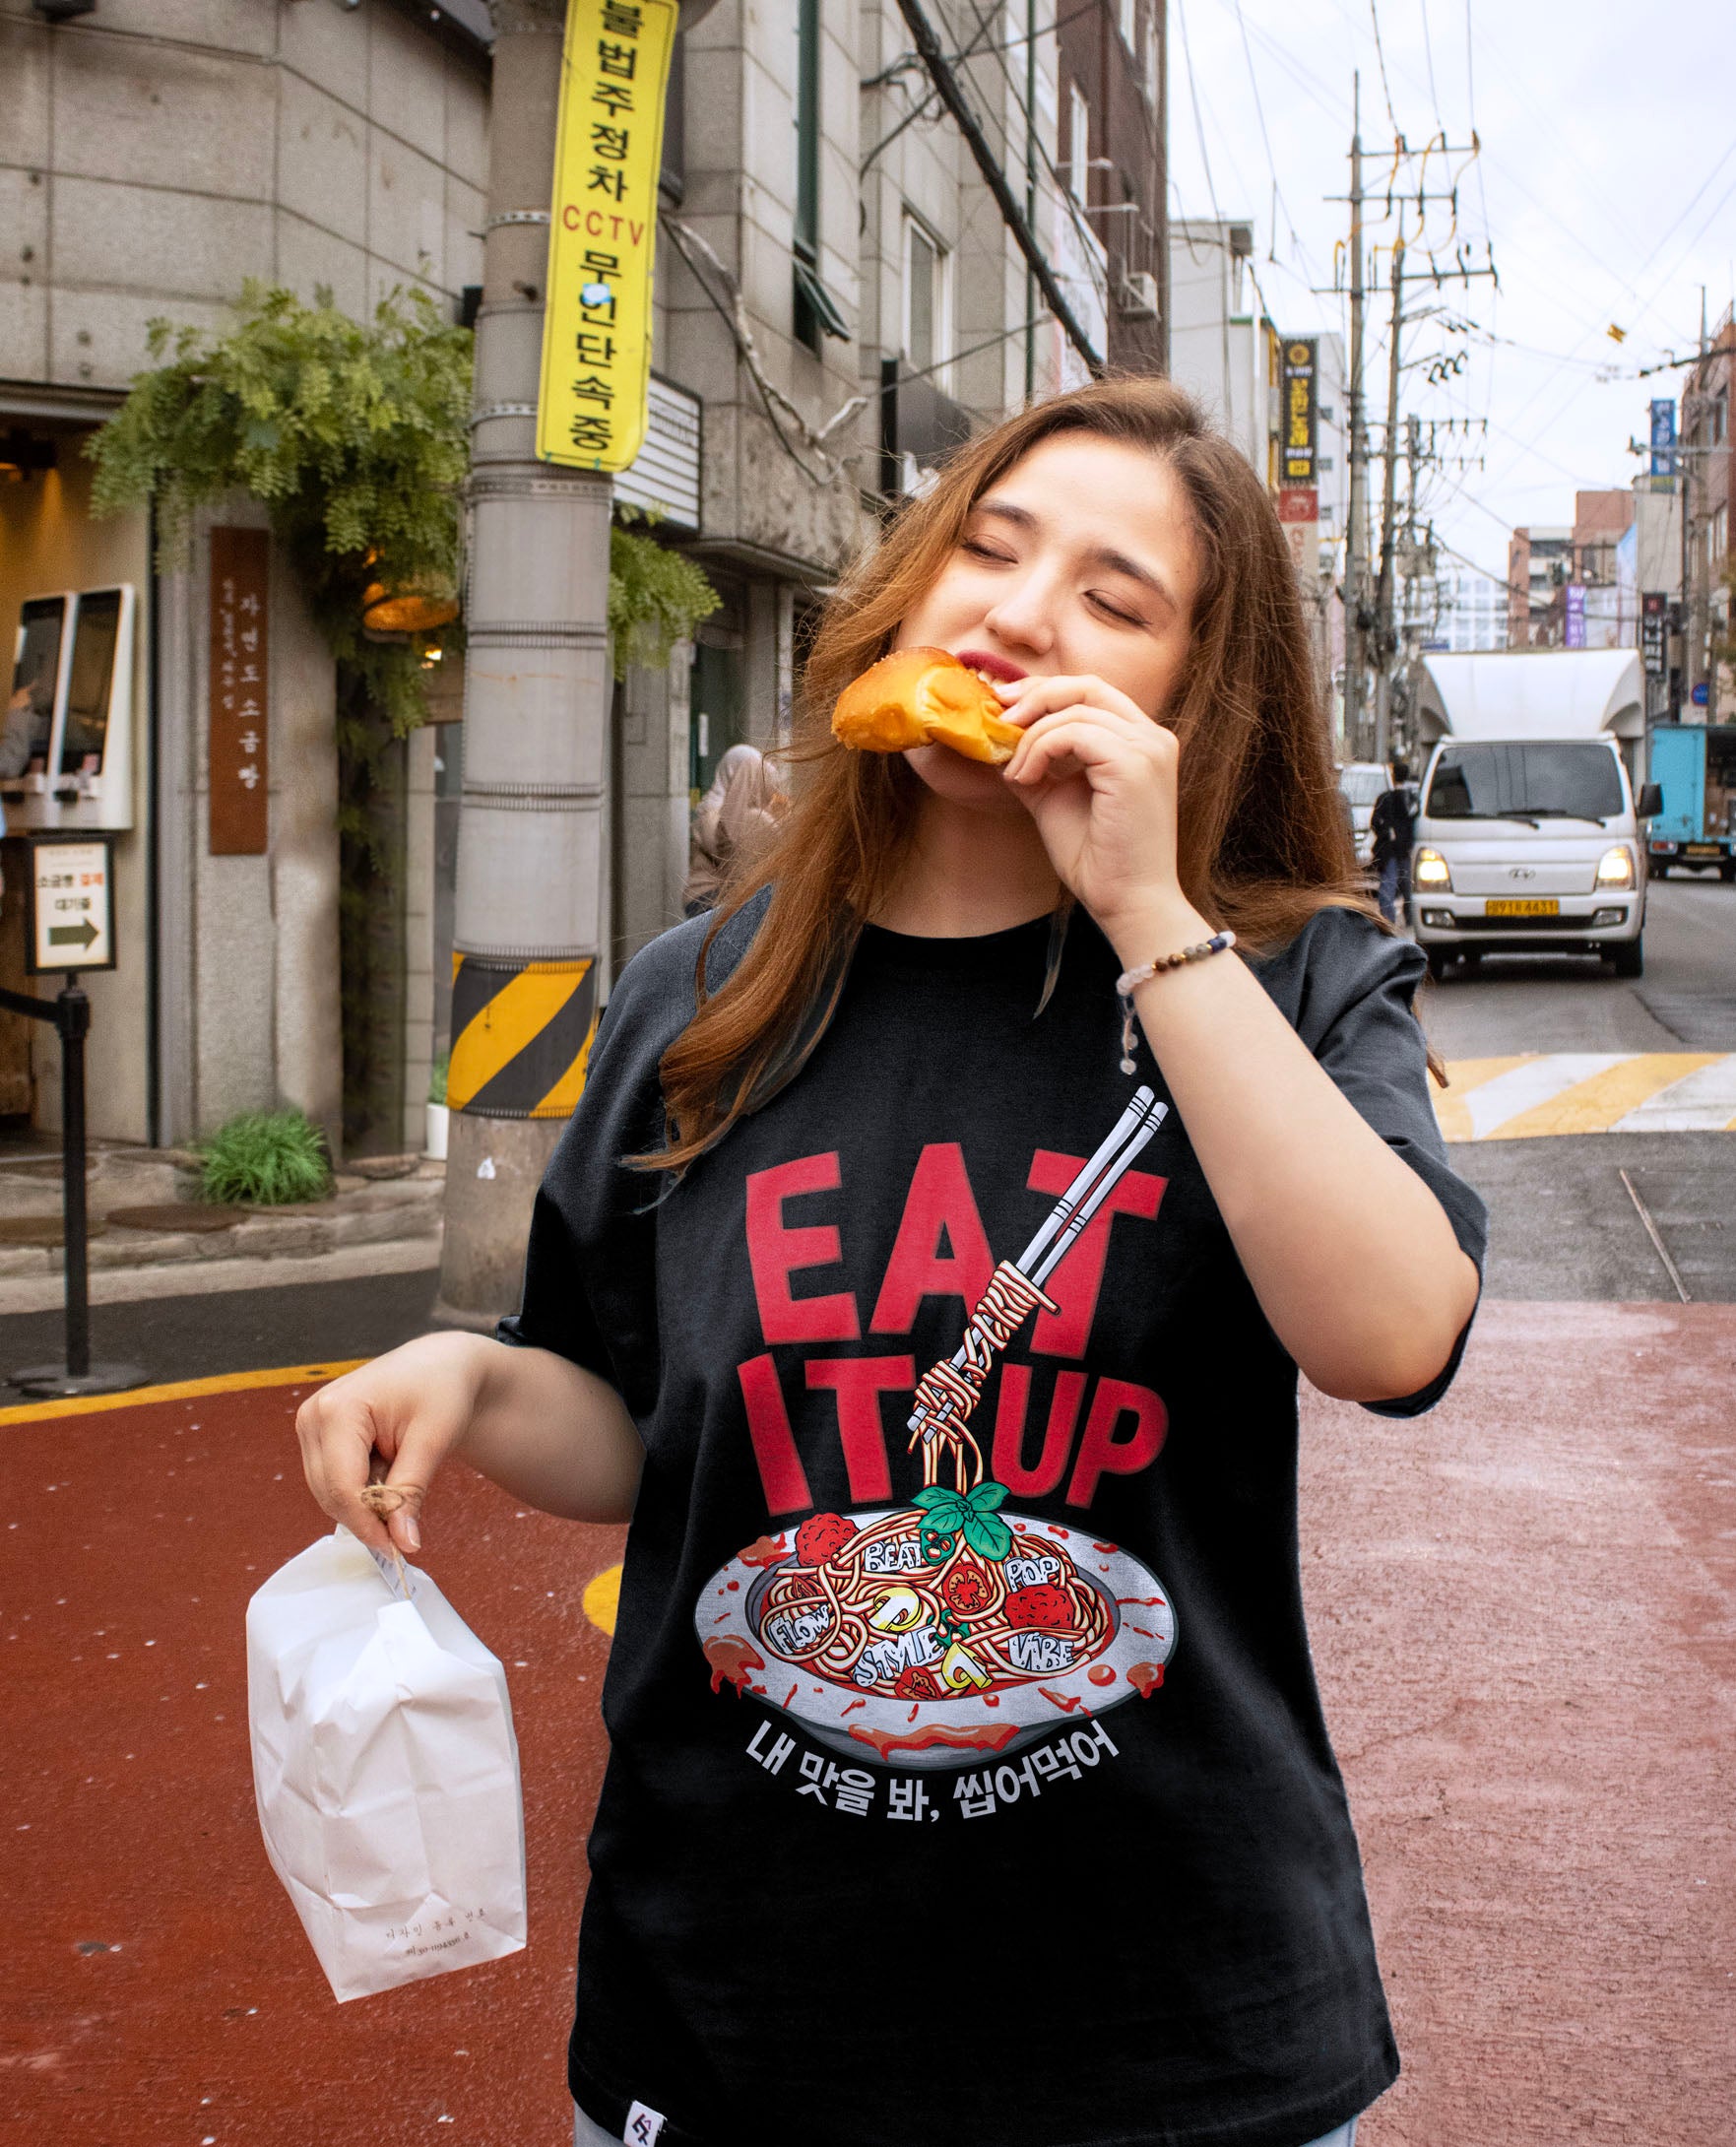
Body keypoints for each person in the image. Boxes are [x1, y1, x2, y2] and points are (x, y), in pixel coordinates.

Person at [296, 378, 1485, 2147]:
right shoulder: (698, 992)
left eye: (1112, 599)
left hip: (1176, 2033)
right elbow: (637, 1429)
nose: (1017, 614)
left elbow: (1391, 1336)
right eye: (984, 553)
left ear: (1186, 698)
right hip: (734, 2016)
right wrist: (466, 1377)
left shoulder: (1285, 979)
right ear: (907, 591)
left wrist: (1150, 921)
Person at [682, 741, 784, 917]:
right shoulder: (717, 814)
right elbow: (728, 848)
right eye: (761, 776)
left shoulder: (714, 807)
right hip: (710, 898)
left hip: (703, 895)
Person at [1370, 758, 1417, 927]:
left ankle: (1388, 920)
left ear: (1393, 774)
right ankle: (1411, 919)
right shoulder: (1412, 799)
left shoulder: (1385, 798)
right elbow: (1415, 825)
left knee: (1388, 886)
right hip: (1405, 850)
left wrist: (1386, 833)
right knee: (1408, 886)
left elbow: (1374, 821)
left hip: (1389, 849)